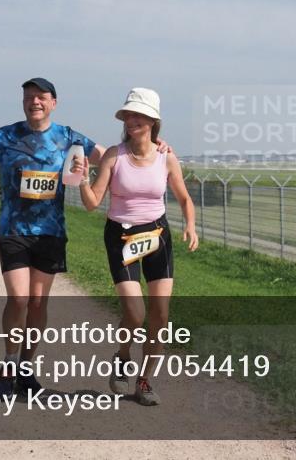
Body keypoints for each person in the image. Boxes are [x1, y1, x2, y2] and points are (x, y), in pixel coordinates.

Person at [0, 77, 170, 398]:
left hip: (51, 234)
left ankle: (27, 371)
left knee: (38, 302)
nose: (35, 102)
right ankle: (8, 366)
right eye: (29, 97)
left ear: (53, 103)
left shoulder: (69, 137)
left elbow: (116, 154)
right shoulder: (6, 136)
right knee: (19, 299)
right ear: (23, 103)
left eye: (42, 97)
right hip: (14, 230)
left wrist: (157, 146)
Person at [77, 87, 198, 406]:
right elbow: (92, 204)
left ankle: (144, 381)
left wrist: (191, 225)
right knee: (135, 311)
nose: (132, 120)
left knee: (160, 315)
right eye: (129, 115)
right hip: (121, 236)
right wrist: (82, 180)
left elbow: (184, 197)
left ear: (153, 121)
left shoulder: (166, 156)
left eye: (139, 116)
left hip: (158, 236)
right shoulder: (114, 156)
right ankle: (122, 355)